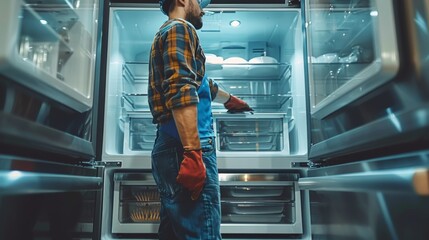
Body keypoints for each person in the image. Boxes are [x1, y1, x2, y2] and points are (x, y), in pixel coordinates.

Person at [148, 0, 252, 239]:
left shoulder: (169, 32)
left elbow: (201, 83)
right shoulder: (180, 29)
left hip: (170, 145)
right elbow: (181, 88)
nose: (203, 8)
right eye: (200, 2)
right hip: (185, 147)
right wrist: (193, 153)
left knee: (174, 233)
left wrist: (228, 99)